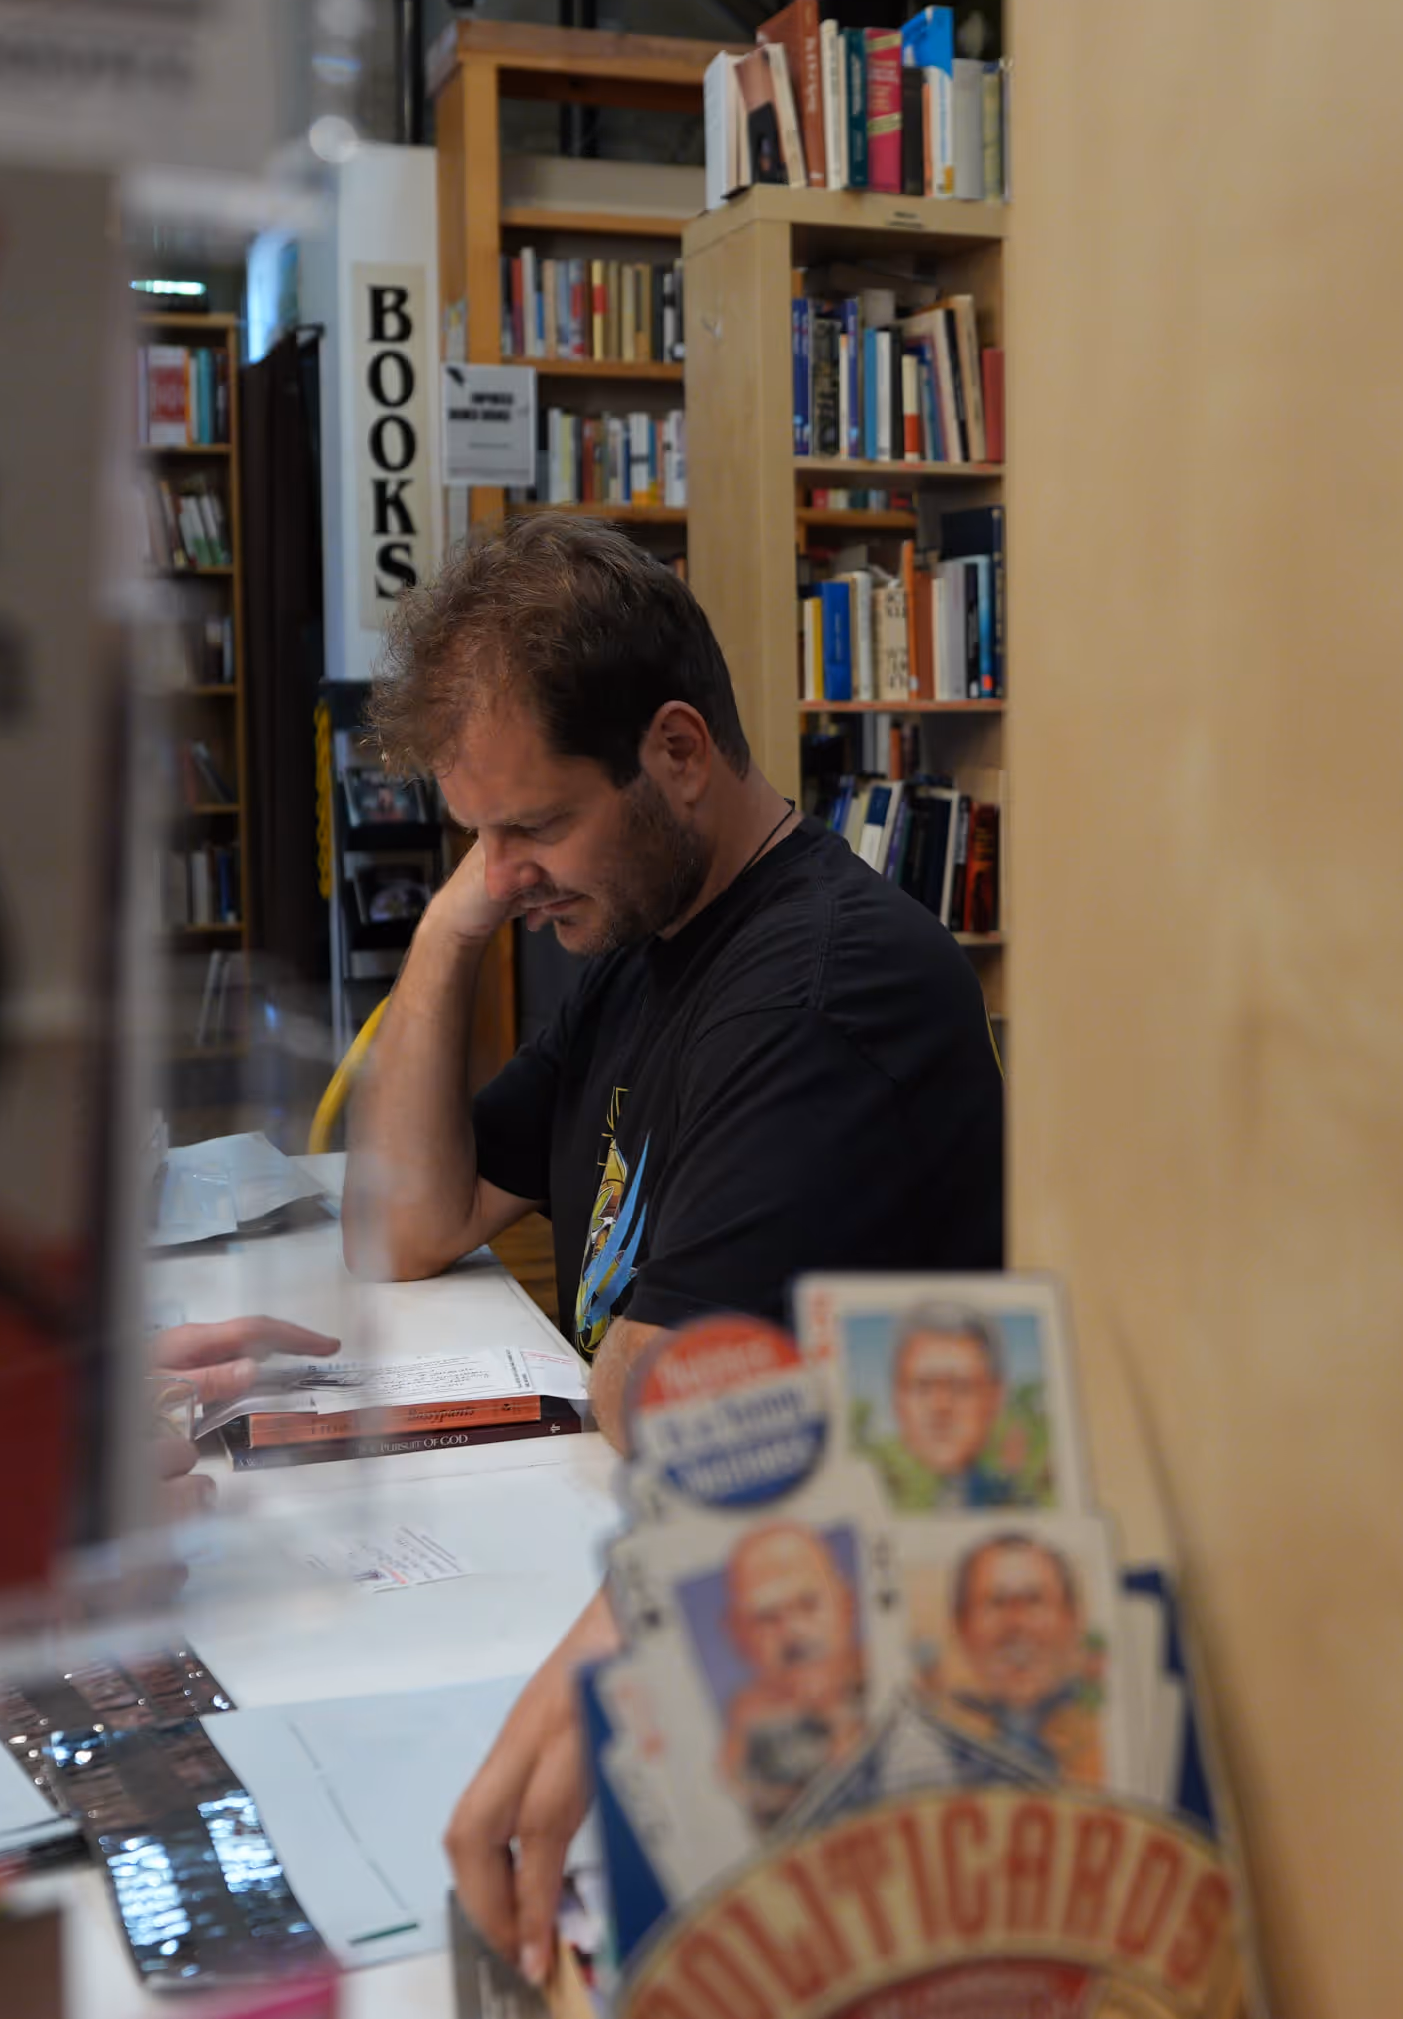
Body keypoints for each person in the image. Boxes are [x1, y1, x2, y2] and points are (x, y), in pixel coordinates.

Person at [350, 518, 1002, 1983]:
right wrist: (458, 922)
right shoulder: (643, 937)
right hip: (653, 1591)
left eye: (533, 827)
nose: (510, 875)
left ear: (679, 753)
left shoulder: (826, 989)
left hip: (838, 1703)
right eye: (479, 837)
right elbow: (401, 1223)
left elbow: (646, 1382)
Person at [714, 1523, 869, 1830]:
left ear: (846, 1604)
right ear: (738, 1634)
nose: (793, 1632)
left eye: (808, 1605)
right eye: (767, 1618)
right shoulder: (743, 1734)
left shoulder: (911, 1679)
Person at [924, 1533, 1100, 1783]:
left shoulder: (1104, 1732)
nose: (1016, 1623)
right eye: (996, 1603)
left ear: (1071, 1619)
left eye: (1034, 1601)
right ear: (961, 1625)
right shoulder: (934, 1741)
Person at [861, 1301, 1050, 1509]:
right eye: (922, 1387)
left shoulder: (1014, 1501)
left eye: (960, 1387)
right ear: (897, 1397)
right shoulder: (869, 1496)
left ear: (995, 1397)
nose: (940, 1407)